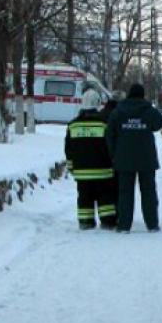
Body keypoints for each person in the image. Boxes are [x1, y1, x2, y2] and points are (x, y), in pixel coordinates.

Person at [106, 83, 162, 233]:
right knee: (149, 191)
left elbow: (110, 134)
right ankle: (152, 224)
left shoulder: (118, 111)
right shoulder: (148, 111)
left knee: (125, 193)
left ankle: (124, 225)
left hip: (124, 158)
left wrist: (114, 154)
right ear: (143, 95)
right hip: (146, 158)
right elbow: (159, 124)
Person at [65, 92, 116, 230]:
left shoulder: (72, 125)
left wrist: (71, 167)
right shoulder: (104, 124)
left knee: (84, 197)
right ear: (97, 104)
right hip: (103, 171)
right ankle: (107, 221)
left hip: (82, 172)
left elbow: (69, 150)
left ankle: (85, 221)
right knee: (105, 198)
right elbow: (110, 146)